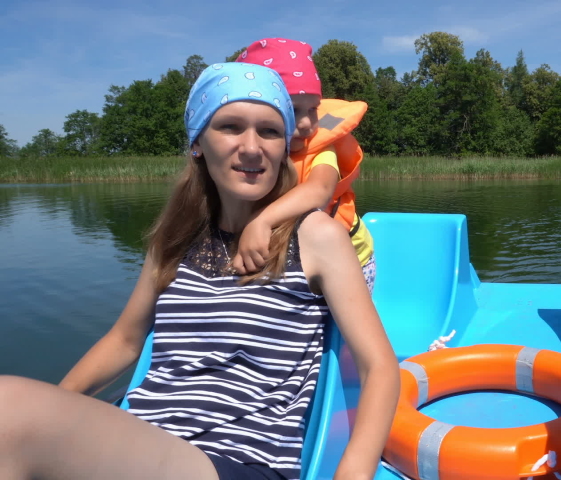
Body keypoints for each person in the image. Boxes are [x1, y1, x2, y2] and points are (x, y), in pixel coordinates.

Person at [0, 62, 399, 480]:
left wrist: (352, 473)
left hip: (238, 462)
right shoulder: (175, 238)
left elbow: (379, 367)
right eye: (230, 127)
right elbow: (124, 339)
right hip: (141, 440)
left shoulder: (314, 236)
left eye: (269, 131)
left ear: (285, 146)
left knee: (10, 409)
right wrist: (57, 405)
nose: (251, 147)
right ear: (198, 143)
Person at [234, 38, 377, 293]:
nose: (306, 124)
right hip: (296, 256)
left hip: (349, 259)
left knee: (334, 325)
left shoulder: (321, 149)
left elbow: (319, 190)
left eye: (312, 109)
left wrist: (261, 221)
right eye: (293, 109)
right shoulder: (254, 156)